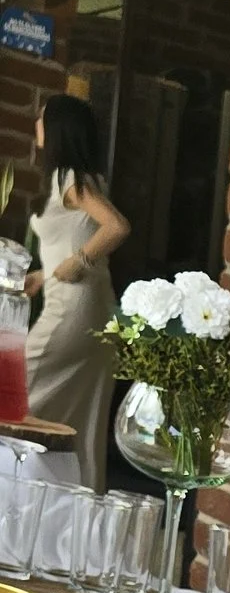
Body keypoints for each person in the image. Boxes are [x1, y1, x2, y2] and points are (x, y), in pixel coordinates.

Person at [24, 95, 128, 489]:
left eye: (42, 118)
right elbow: (72, 244)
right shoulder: (79, 180)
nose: (36, 123)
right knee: (80, 423)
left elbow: (117, 227)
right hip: (94, 315)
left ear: (56, 131)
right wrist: (42, 275)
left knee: (13, 392)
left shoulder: (71, 180)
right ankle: (73, 519)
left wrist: (80, 261)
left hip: (72, 314)